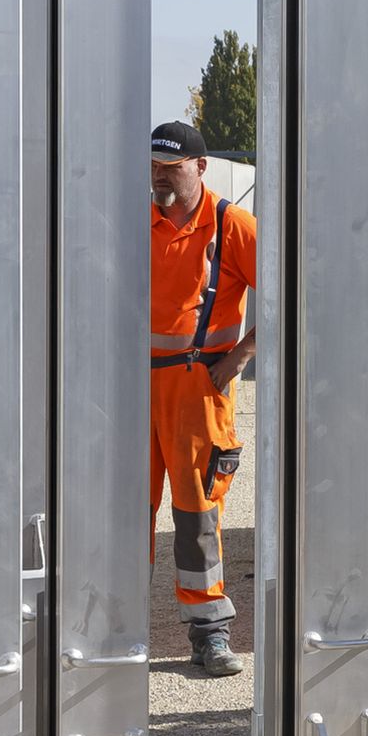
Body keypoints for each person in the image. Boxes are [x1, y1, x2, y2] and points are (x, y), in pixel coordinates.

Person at [149, 121, 256, 677]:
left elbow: (293, 290)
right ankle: (111, 635)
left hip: (197, 389)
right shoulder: (132, 219)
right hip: (131, 390)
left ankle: (210, 634)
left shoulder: (230, 225)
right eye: (155, 165)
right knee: (120, 516)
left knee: (196, 515)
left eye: (173, 166)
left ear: (201, 166)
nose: (161, 175)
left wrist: (239, 356)